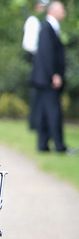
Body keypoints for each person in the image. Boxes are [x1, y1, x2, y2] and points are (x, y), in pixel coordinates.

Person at [31, 1, 73, 154]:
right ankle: (59, 145)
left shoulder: (49, 27)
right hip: (48, 79)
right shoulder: (47, 28)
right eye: (62, 10)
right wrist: (54, 75)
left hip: (42, 78)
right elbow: (47, 54)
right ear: (52, 11)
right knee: (54, 112)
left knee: (43, 112)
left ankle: (43, 145)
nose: (64, 13)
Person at [22, 0, 48, 131]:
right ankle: (34, 123)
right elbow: (29, 44)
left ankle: (37, 123)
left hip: (39, 59)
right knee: (36, 92)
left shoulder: (40, 21)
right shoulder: (33, 21)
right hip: (37, 59)